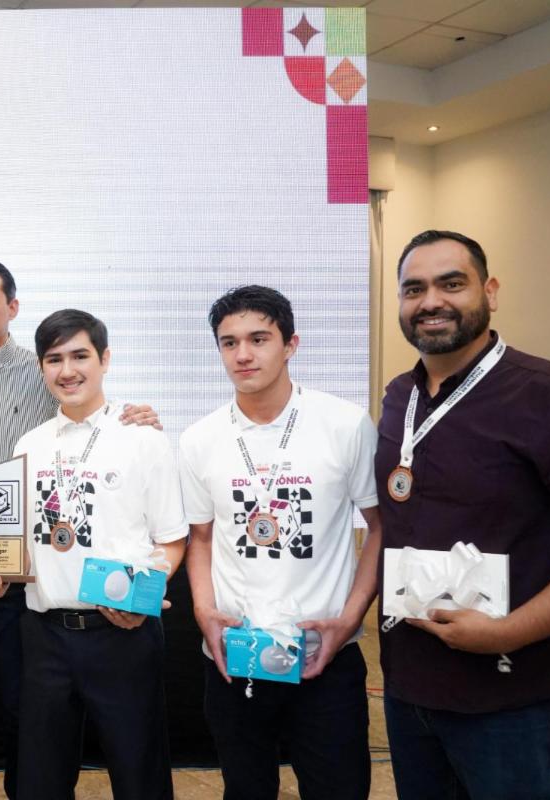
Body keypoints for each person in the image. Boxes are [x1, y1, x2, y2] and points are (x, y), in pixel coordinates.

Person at [0, 257, 157, 800]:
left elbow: (84, 414)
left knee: (22, 701)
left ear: (12, 307)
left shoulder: (41, 367)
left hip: (27, 558)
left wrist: (137, 416)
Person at [377, 230, 550, 798]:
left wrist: (508, 631)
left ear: (490, 292)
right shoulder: (399, 398)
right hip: (409, 693)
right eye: (414, 289)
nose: (431, 301)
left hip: (511, 703)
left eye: (452, 284)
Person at [0, 309, 186, 800]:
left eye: (79, 356)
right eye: (54, 359)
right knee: (40, 782)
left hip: (123, 633)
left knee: (140, 777)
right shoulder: (29, 444)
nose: (67, 370)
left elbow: (172, 540)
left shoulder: (143, 439)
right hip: (44, 637)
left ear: (104, 359)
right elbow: (21, 549)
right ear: (41, 368)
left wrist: (142, 595)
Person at [179, 285, 380, 800]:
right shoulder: (200, 439)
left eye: (258, 339)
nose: (243, 354)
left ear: (291, 344)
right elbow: (200, 537)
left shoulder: (345, 424)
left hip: (324, 653)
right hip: (236, 653)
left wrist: (351, 617)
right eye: (229, 343)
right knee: (245, 788)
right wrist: (203, 610)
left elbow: (380, 527)